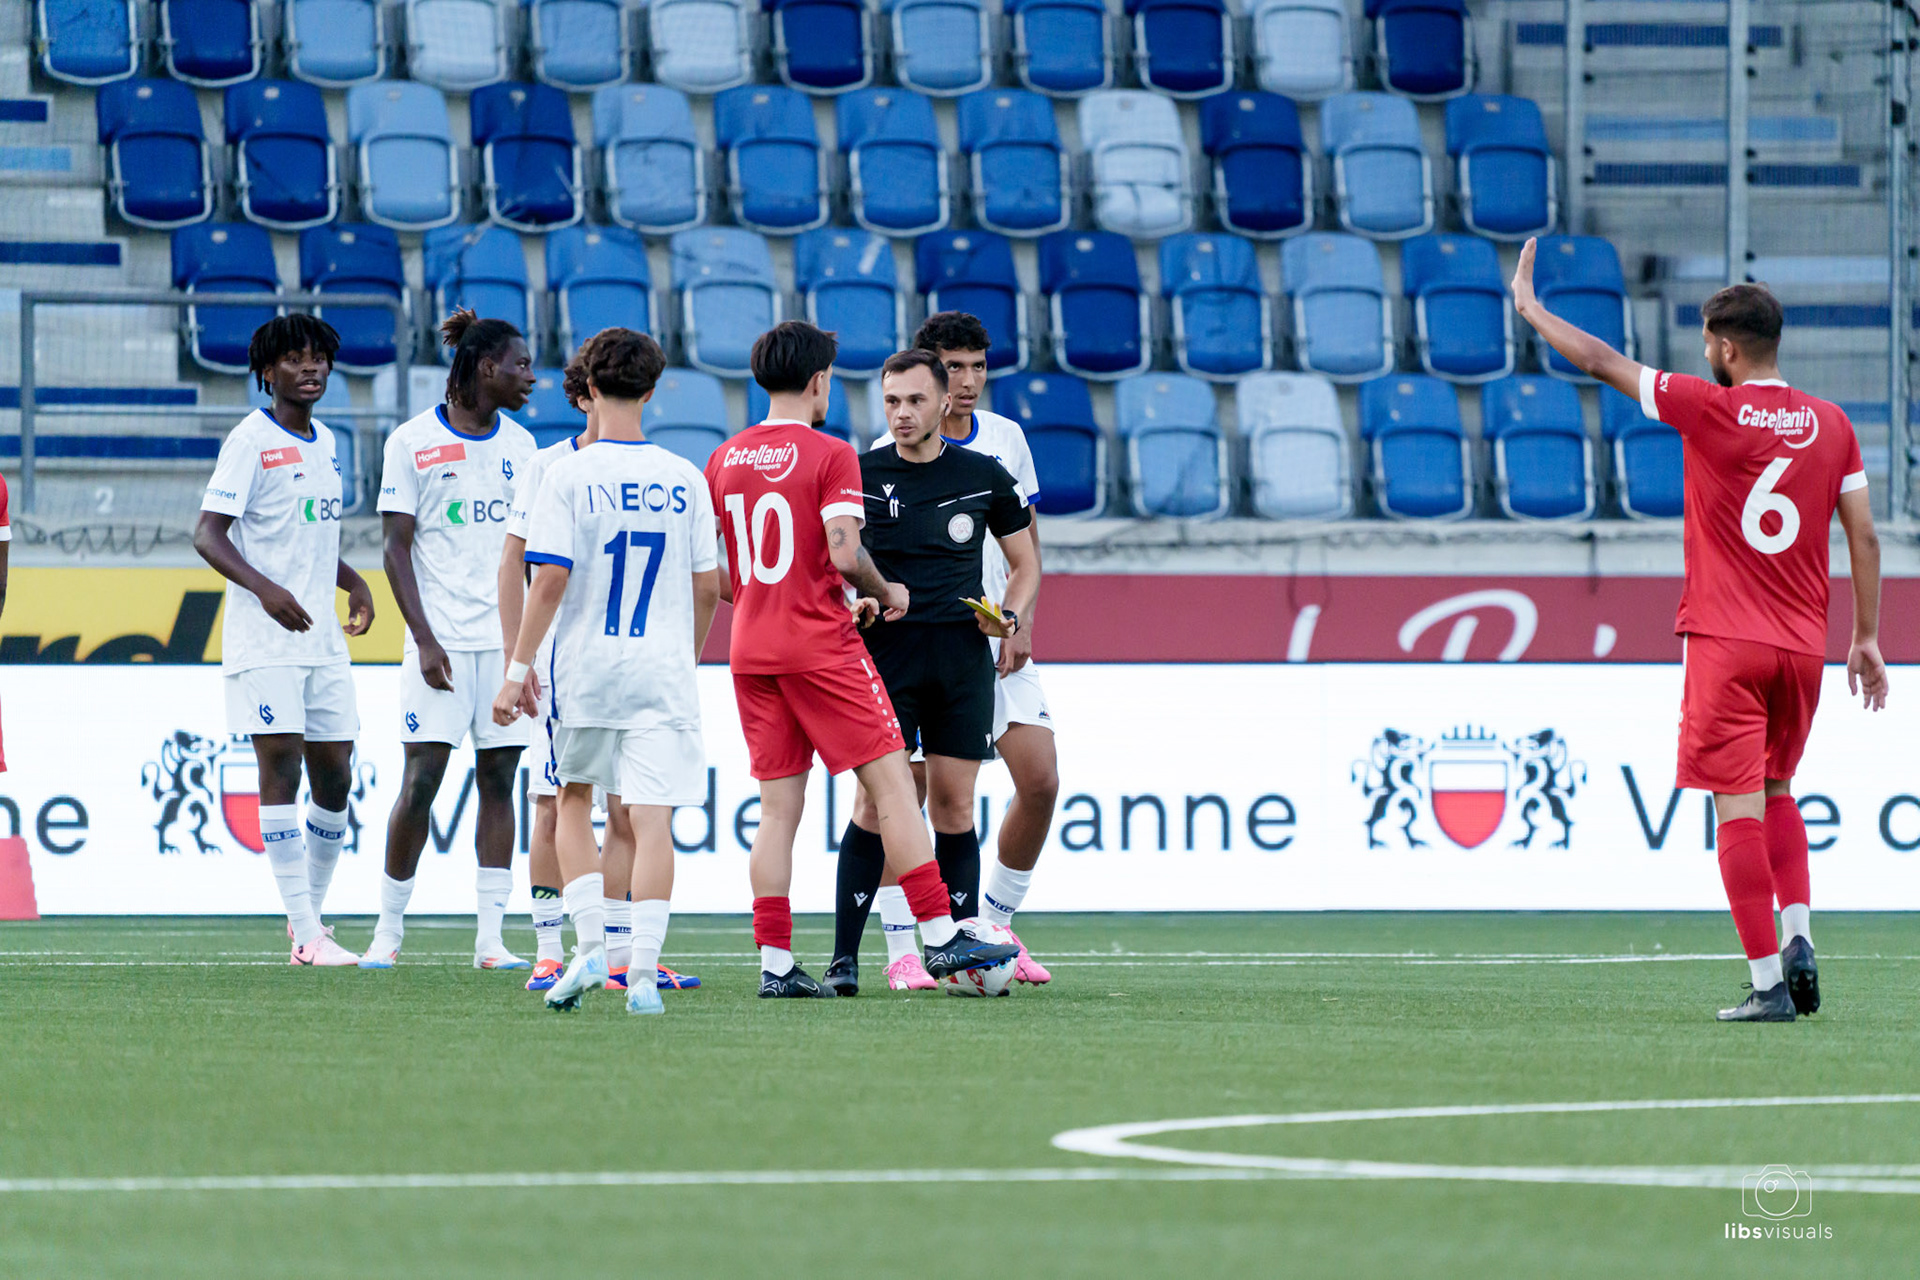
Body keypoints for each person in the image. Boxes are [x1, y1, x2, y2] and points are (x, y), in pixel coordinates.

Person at [1512, 239, 1887, 1023]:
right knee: (1781, 791)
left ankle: (1767, 985)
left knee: (1735, 810)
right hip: (1801, 649)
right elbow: (1864, 537)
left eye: (1708, 347)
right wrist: (1867, 637)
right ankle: (1799, 933)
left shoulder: (1705, 404)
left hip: (1726, 642)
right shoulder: (1833, 424)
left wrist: (1533, 309)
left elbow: (1602, 363)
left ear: (1724, 348)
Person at [704, 321, 1020, 997]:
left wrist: (768, 597)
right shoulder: (830, 453)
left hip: (750, 648)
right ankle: (940, 934)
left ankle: (776, 965)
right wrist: (885, 590)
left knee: (778, 811)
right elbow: (846, 553)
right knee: (893, 786)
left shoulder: (724, 459)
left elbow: (719, 577)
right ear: (819, 382)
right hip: (820, 646)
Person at [492, 328, 721, 1014]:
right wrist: (687, 655)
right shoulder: (685, 477)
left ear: (588, 389)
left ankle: (589, 949)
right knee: (651, 820)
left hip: (587, 668)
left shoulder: (566, 473)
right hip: (660, 671)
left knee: (573, 802)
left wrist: (516, 668)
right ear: (653, 391)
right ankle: (641, 975)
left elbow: (549, 578)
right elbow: (708, 586)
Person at [824, 349, 1039, 996]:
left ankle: (961, 945)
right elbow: (828, 564)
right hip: (884, 660)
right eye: (891, 401)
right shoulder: (856, 473)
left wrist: (1008, 613)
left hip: (960, 660)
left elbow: (1026, 564)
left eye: (915, 400)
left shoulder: (983, 474)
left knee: (952, 804)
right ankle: (844, 960)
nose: (902, 413)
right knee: (876, 804)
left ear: (945, 401)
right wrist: (852, 602)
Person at [879, 311, 1059, 986]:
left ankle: (994, 923)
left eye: (978, 365)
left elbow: (1028, 542)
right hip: (923, 645)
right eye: (954, 366)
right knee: (914, 795)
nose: (968, 380)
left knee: (1040, 780)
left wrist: (1022, 620)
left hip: (997, 639)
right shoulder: (886, 448)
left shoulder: (1006, 439)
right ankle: (906, 945)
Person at [193, 315, 375, 966]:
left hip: (321, 639)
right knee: (283, 770)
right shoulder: (249, 440)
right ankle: (305, 930)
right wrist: (265, 590)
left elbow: (313, 539)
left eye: (321, 358)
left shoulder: (325, 439)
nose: (313, 368)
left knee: (337, 776)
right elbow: (208, 534)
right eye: (297, 359)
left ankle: (310, 924)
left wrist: (352, 582)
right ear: (267, 372)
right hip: (264, 640)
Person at [361, 310, 536, 971]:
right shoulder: (411, 442)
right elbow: (394, 546)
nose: (531, 377)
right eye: (520, 365)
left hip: (503, 647)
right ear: (485, 367)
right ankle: (388, 932)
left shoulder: (524, 447)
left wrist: (525, 652)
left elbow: (531, 558)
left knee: (500, 780)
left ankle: (491, 940)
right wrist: (424, 639)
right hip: (437, 645)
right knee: (422, 782)